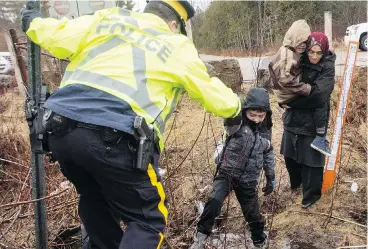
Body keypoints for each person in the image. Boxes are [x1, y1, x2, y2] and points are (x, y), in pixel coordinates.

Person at [21, 1, 243, 248]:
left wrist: (33, 20)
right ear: (174, 24)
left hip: (61, 129)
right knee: (148, 221)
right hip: (114, 136)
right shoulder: (175, 44)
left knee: (95, 199)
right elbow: (210, 92)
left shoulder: (109, 19)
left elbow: (56, 35)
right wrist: (235, 109)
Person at [189, 88, 275, 249]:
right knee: (214, 202)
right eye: (252, 115)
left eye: (261, 116)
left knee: (254, 216)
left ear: (266, 115)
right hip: (227, 174)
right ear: (245, 111)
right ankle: (199, 239)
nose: (256, 120)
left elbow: (268, 152)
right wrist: (236, 102)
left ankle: (260, 243)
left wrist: (271, 176)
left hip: (248, 181)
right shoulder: (236, 124)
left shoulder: (265, 131)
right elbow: (229, 112)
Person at [281, 32, 336, 209]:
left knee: (311, 159)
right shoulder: (299, 59)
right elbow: (283, 81)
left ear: (324, 52)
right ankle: (297, 185)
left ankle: (311, 196)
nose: (313, 56)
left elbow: (319, 96)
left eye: (318, 53)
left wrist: (292, 102)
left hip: (314, 119)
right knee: (290, 154)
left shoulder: (327, 66)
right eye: (311, 52)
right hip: (293, 118)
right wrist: (284, 98)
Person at [269, 20, 331, 156]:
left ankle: (320, 138)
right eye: (300, 42)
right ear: (294, 39)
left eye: (305, 43)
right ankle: (320, 138)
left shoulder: (297, 53)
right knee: (322, 103)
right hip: (289, 97)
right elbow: (285, 80)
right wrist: (306, 88)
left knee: (321, 101)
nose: (303, 46)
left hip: (290, 102)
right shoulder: (288, 54)